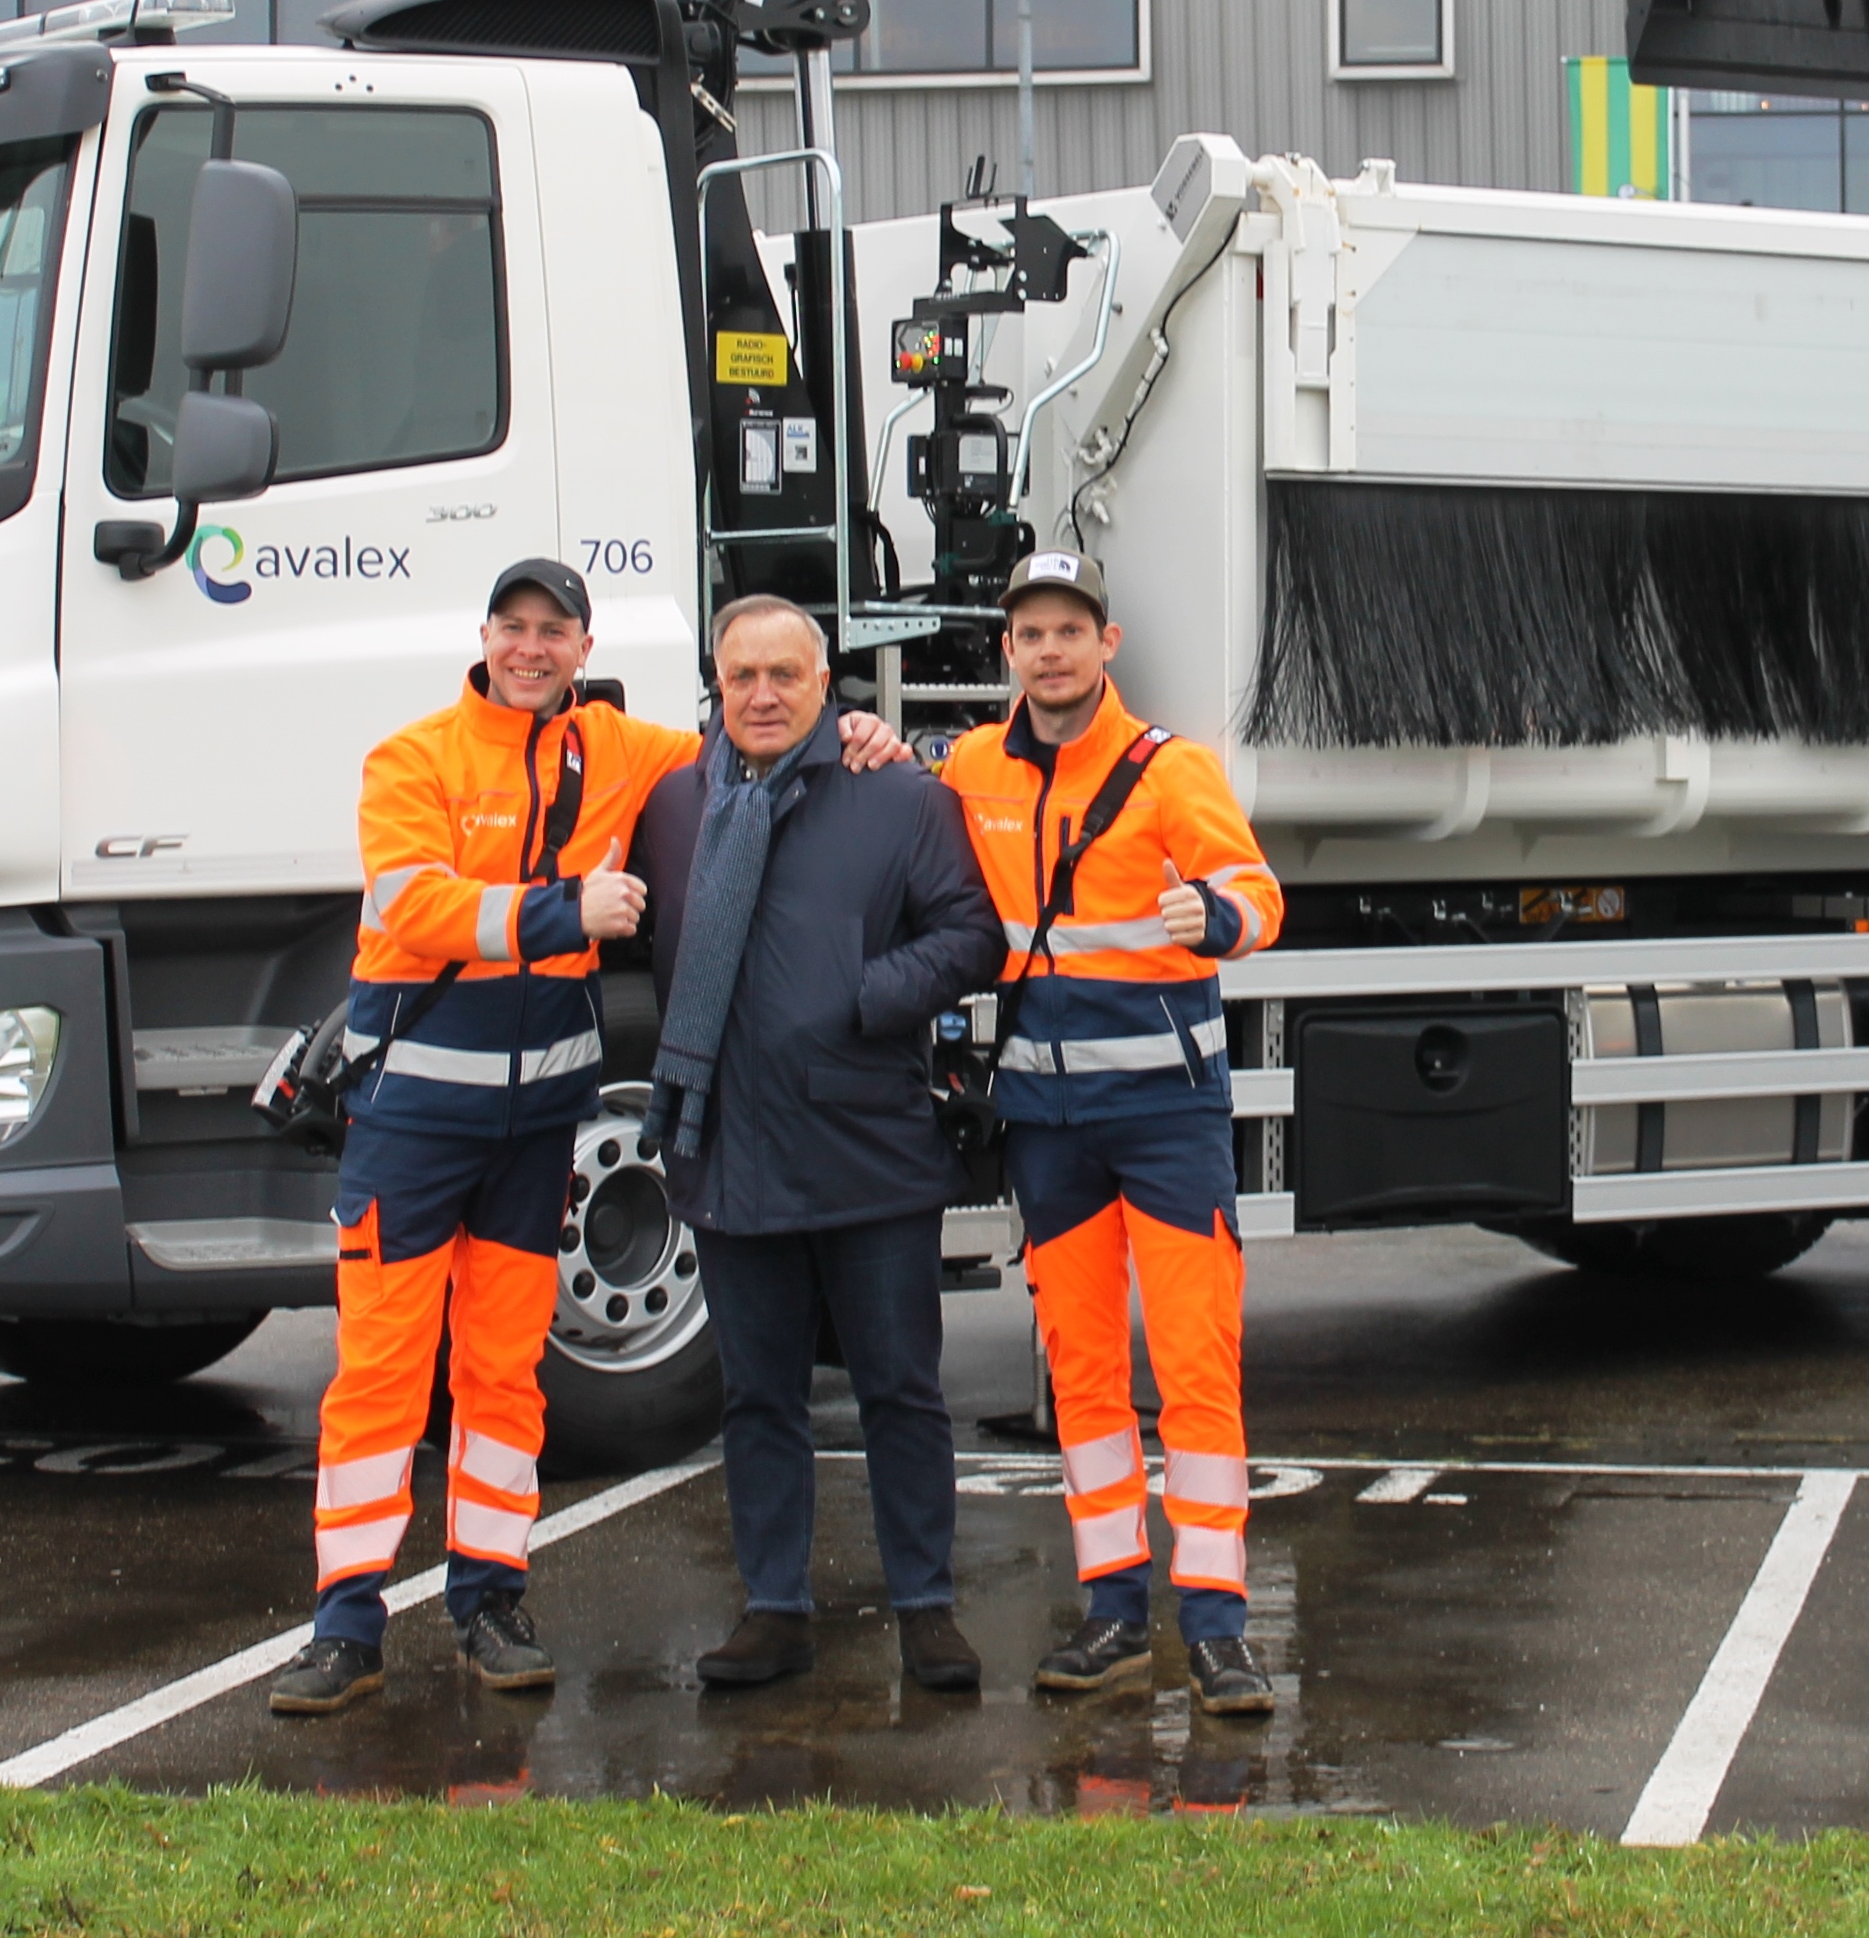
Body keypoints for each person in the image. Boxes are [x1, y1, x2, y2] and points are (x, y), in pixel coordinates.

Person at [271, 559, 904, 1718]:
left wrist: (858, 728)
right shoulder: (412, 757)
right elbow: (412, 900)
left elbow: (747, 739)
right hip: (411, 1128)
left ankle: (490, 1603)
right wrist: (567, 911)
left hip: (531, 1138)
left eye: (552, 631)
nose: (530, 648)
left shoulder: (613, 747)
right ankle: (346, 1627)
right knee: (381, 1378)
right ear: (485, 635)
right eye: (512, 626)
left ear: (581, 645)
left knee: (506, 1377)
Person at [631, 593, 1006, 1693]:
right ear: (714, 678)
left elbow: (971, 932)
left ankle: (927, 1609)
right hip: (731, 1148)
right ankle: (775, 1607)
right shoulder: (670, 802)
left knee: (900, 1389)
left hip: (868, 1146)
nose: (760, 694)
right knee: (757, 1398)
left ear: (824, 678)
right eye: (740, 675)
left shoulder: (893, 795)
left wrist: (866, 993)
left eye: (784, 676)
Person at [936, 549, 1287, 1714]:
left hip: (1168, 1123)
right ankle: (1112, 1615)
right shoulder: (974, 767)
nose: (1049, 650)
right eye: (1029, 632)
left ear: (1107, 644)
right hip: (1048, 1127)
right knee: (1083, 1380)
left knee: (1197, 1372)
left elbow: (1262, 895)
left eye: (1068, 631)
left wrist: (1221, 911)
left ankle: (1221, 1630)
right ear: (1009, 651)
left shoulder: (1169, 770)